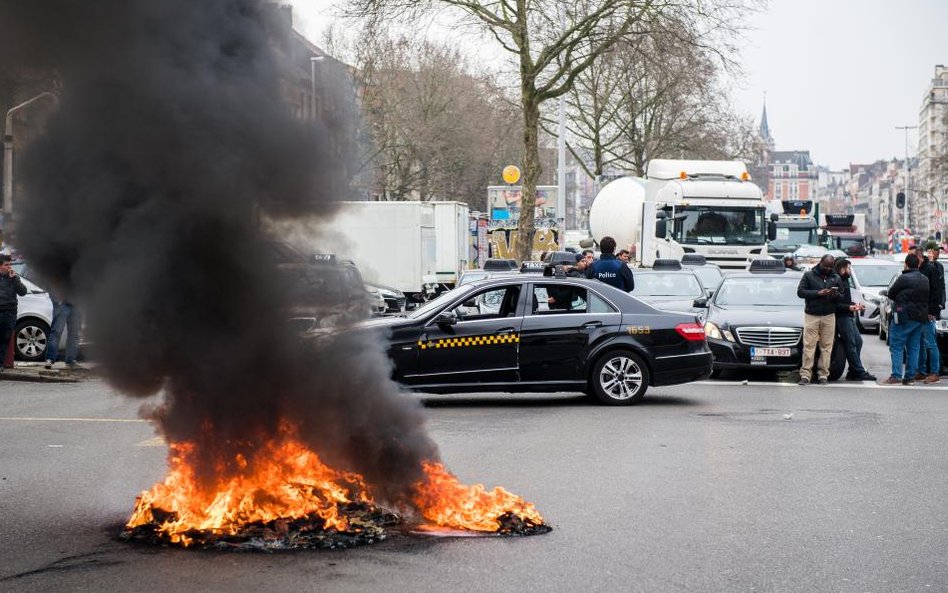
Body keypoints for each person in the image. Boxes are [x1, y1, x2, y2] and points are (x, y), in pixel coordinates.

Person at [881, 253, 930, 385]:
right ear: (918, 264)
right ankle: (909, 378)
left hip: (904, 316)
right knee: (914, 348)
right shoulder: (925, 279)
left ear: (906, 264)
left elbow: (891, 293)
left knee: (896, 346)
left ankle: (896, 375)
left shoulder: (904, 278)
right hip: (919, 318)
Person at [796, 254, 842, 385]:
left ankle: (823, 375)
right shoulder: (809, 275)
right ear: (820, 262)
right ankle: (805, 375)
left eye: (830, 266)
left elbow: (842, 296)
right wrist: (818, 293)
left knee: (826, 346)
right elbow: (800, 292)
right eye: (825, 266)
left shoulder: (836, 277)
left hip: (829, 315)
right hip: (812, 315)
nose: (827, 269)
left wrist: (835, 294)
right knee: (809, 346)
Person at [833, 258, 876, 381]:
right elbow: (835, 303)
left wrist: (855, 305)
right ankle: (859, 371)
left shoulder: (845, 280)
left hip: (848, 315)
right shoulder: (836, 280)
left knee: (858, 341)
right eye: (849, 268)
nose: (850, 271)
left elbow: (844, 300)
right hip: (842, 317)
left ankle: (853, 370)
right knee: (851, 343)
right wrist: (849, 307)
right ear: (842, 269)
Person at [916, 241, 945, 382]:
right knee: (921, 342)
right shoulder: (922, 268)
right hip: (920, 311)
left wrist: (934, 310)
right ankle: (921, 371)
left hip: (928, 312)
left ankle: (934, 372)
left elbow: (937, 291)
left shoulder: (932, 268)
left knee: (930, 343)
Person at [0, 255, 27, 372]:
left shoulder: (13, 278)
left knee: (4, 339)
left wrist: (14, 279)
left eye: (10, 264)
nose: (9, 267)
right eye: (6, 265)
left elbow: (23, 292)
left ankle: (0, 364)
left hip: (9, 312)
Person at [44, 293, 82, 370]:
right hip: (62, 304)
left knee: (74, 334)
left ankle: (70, 360)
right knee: (57, 332)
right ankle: (50, 359)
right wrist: (57, 300)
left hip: (76, 305)